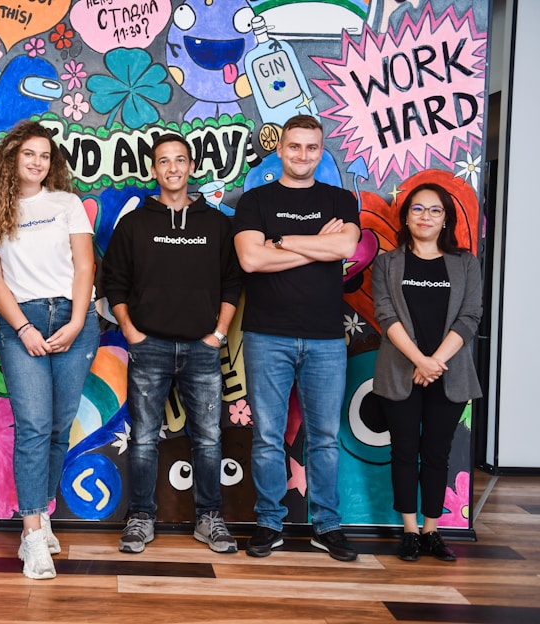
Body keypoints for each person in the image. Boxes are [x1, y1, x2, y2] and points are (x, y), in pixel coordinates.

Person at [101, 133, 242, 556]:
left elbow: (233, 282)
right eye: (164, 161)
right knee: (144, 438)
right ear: (154, 170)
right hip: (149, 347)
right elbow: (114, 282)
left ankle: (209, 518)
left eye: (180, 160)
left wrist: (217, 334)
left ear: (192, 166)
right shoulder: (135, 224)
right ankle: (141, 518)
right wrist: (130, 330)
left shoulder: (216, 223)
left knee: (208, 438)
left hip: (202, 349)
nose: (173, 168)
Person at [0, 120, 99, 579]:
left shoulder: (67, 204)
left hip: (73, 320)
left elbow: (85, 265)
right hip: (20, 321)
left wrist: (79, 321)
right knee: (32, 426)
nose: (37, 162)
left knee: (58, 427)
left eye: (45, 155)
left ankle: (41, 515)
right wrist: (23, 326)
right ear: (11, 158)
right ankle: (30, 535)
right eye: (29, 153)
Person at [234, 114, 360, 561]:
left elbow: (344, 249)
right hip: (267, 335)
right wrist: (312, 246)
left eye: (311, 148)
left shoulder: (341, 199)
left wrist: (281, 242)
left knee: (324, 435)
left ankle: (327, 524)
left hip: (326, 338)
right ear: (280, 149)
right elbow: (250, 260)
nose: (303, 155)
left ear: (321, 151)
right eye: (294, 147)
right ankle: (269, 521)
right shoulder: (254, 201)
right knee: (268, 434)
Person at [372, 183, 482, 562]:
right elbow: (385, 315)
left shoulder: (466, 263)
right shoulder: (388, 262)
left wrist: (434, 363)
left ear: (446, 218)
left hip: (450, 374)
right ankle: (409, 531)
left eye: (435, 211)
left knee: (437, 454)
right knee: (404, 452)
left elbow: (470, 316)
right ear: (406, 217)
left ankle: (432, 530)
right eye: (418, 209)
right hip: (400, 372)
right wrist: (420, 360)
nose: (426, 217)